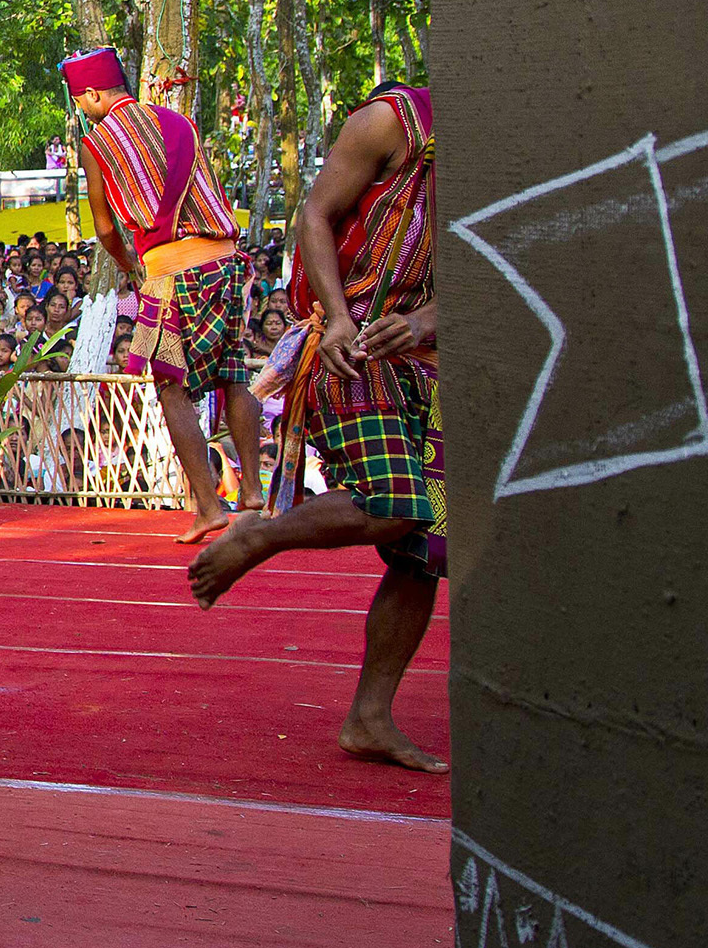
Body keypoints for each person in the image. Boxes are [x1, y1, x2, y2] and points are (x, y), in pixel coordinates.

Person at [189, 84, 444, 772]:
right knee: (395, 505)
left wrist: (427, 320)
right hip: (349, 344)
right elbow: (316, 214)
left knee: (426, 552)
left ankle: (368, 717)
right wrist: (336, 315)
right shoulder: (393, 121)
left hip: (435, 357)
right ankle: (260, 532)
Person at [63, 48, 265, 544]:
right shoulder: (180, 123)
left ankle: (210, 507)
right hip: (226, 261)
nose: (81, 110)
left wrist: (128, 263)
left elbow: (106, 227)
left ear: (91, 94)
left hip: (171, 271)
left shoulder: (97, 143)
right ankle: (257, 494)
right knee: (233, 372)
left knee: (171, 385)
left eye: (79, 101)